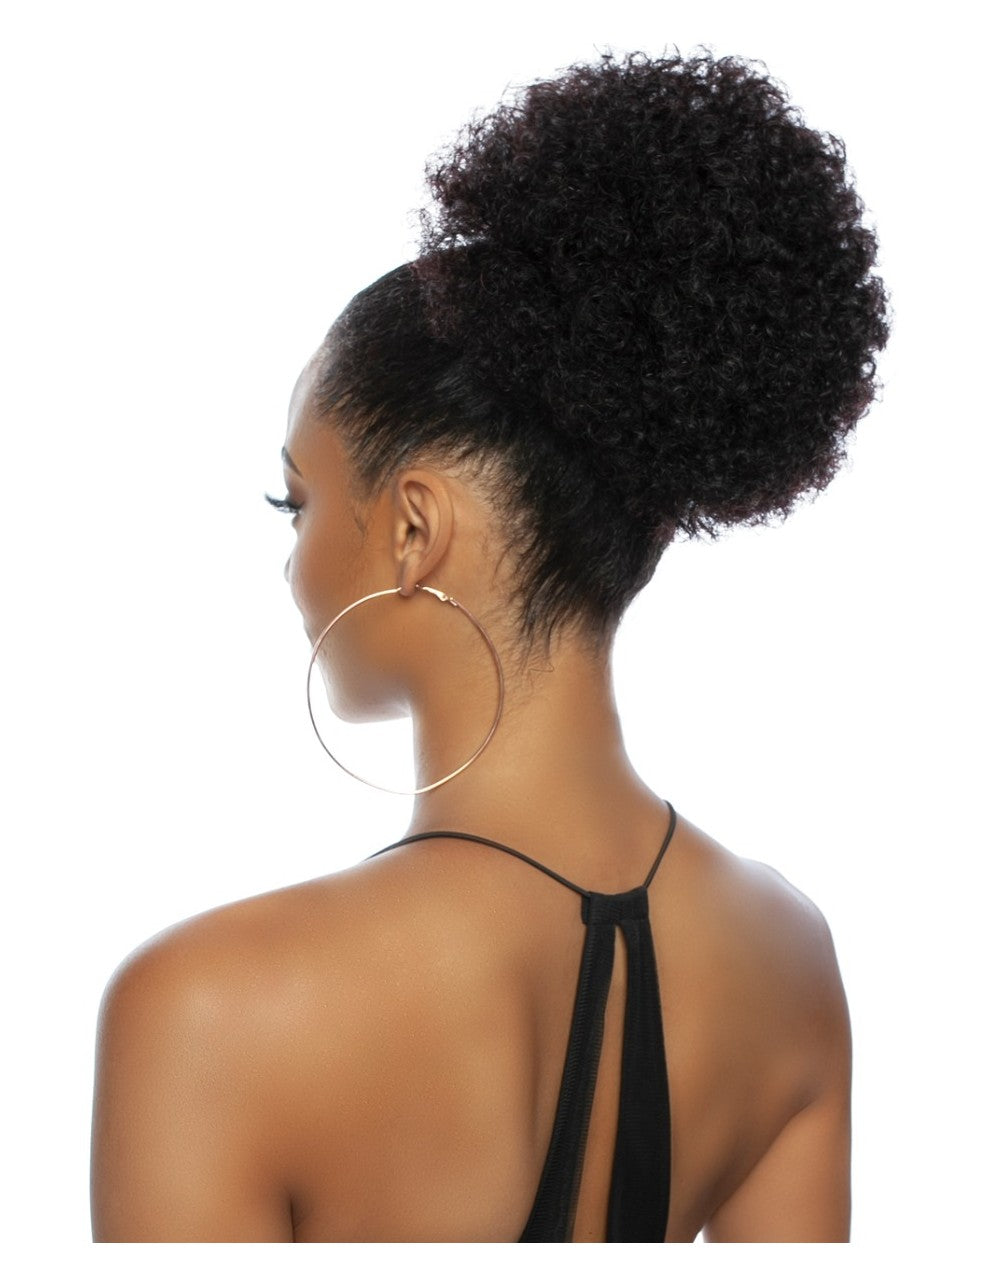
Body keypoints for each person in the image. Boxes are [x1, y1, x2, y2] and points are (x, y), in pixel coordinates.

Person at [90, 49, 888, 1242]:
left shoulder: (206, 1008)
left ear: (414, 528)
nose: (293, 560)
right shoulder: (788, 958)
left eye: (296, 502)